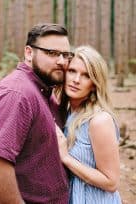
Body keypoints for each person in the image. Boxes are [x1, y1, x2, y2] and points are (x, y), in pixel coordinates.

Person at [0, 23, 71, 204]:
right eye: (52, 53)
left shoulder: (41, 91)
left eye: (66, 55)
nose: (62, 61)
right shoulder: (17, 94)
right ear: (29, 53)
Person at [56, 45, 122, 204]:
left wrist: (66, 158)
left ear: (94, 84)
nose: (76, 80)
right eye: (72, 71)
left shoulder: (99, 120)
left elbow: (111, 182)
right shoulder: (68, 113)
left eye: (86, 75)